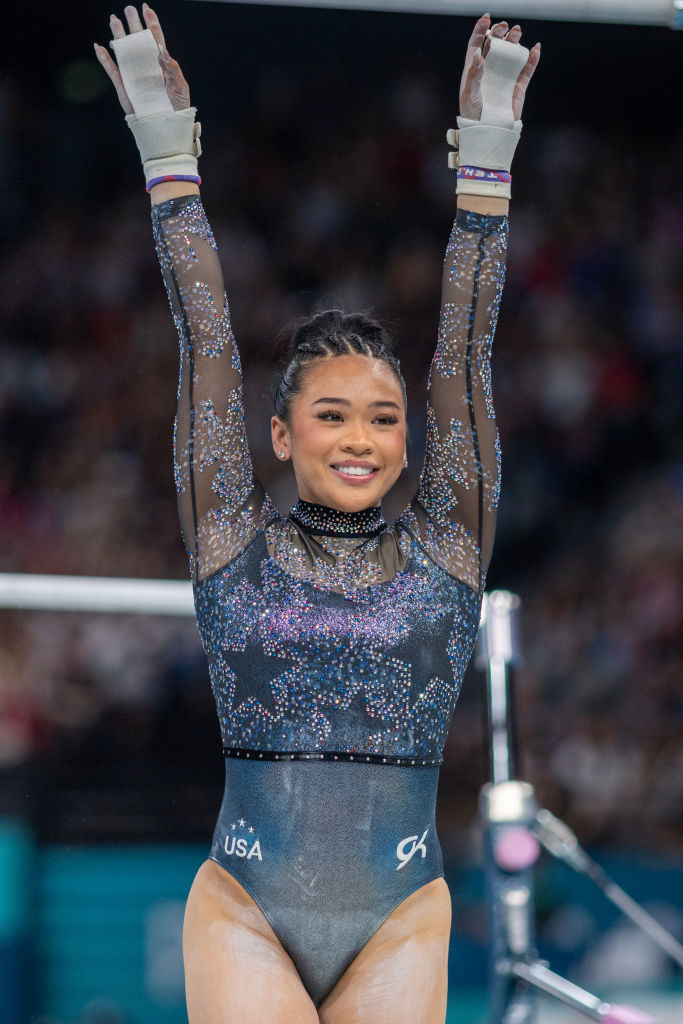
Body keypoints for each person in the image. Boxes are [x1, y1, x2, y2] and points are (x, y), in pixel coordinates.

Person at [95, 7, 539, 1022]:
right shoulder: (229, 539)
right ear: (281, 435)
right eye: (330, 414)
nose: (360, 437)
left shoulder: (448, 547)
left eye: (383, 418)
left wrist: (484, 157)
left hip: (400, 914)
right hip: (246, 904)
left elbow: (463, 353)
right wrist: (167, 146)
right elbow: (203, 338)